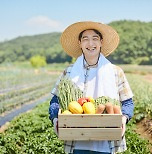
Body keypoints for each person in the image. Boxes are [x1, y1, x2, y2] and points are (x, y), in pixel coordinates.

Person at [49, 21, 134, 154]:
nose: (90, 44)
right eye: (85, 39)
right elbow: (55, 100)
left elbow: (128, 102)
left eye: (95, 39)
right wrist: (55, 119)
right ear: (80, 43)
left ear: (101, 42)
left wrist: (123, 119)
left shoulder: (116, 72)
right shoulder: (69, 72)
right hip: (76, 142)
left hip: (108, 141)